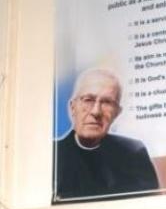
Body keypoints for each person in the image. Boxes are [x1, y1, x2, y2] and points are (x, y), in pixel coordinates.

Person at [54, 68, 159, 201]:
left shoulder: (134, 155)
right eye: (88, 100)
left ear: (117, 113)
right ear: (73, 107)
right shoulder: (52, 157)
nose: (96, 111)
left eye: (107, 102)